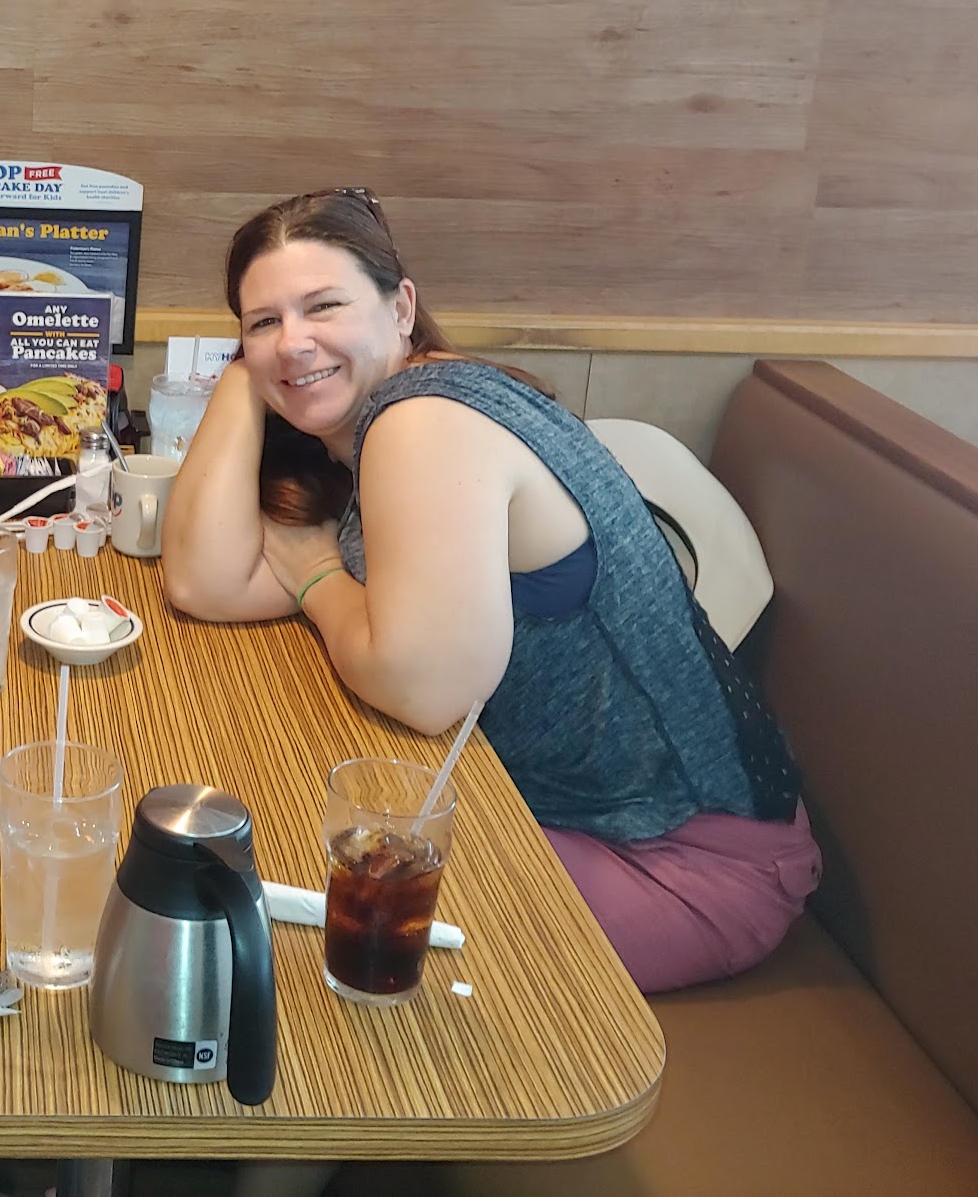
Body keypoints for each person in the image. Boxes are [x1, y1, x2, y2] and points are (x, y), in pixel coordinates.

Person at [164, 187, 821, 996]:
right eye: (263, 320)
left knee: (297, 926)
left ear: (401, 308)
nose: (294, 340)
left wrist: (319, 577)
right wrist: (249, 377)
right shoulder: (366, 428)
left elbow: (424, 690)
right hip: (550, 811)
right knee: (269, 863)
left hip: (679, 858)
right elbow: (204, 580)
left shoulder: (426, 422)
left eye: (323, 306)